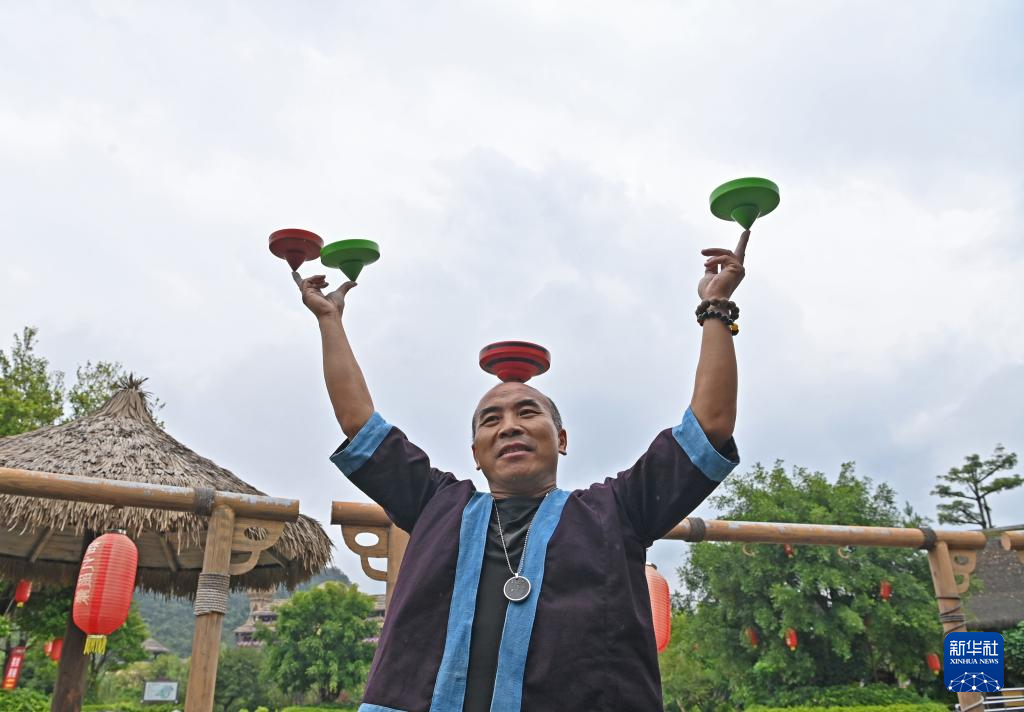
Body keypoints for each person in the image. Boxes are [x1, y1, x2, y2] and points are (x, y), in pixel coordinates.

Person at [295, 232, 747, 712]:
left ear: (562, 439)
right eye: (491, 419)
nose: (509, 425)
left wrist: (715, 308)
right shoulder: (435, 505)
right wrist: (329, 321)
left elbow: (709, 428)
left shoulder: (616, 512)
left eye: (528, 412)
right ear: (476, 453)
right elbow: (359, 423)